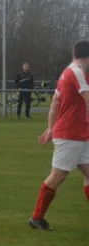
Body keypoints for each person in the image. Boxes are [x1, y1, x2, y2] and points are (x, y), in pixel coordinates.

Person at [28, 39, 89, 231]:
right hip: (71, 134)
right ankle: (36, 218)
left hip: (79, 134)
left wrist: (50, 127)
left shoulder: (66, 72)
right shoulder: (77, 72)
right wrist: (54, 128)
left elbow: (55, 102)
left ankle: (37, 218)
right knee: (58, 176)